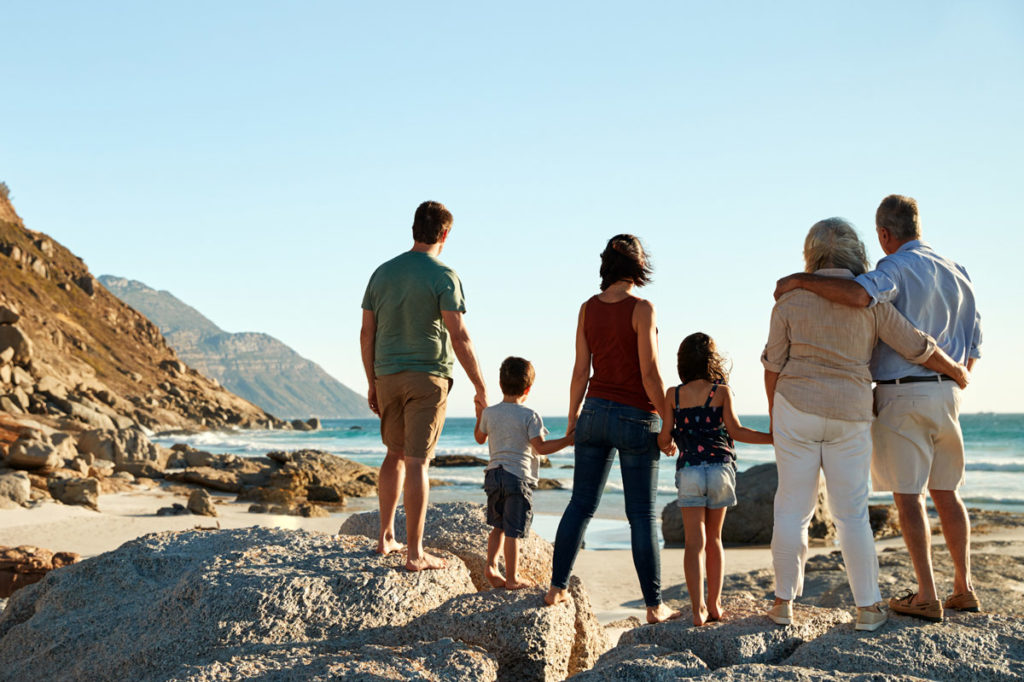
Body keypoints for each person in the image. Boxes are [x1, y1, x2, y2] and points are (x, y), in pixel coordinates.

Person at [774, 197, 982, 623]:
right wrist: (957, 375)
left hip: (895, 393)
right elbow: (962, 343)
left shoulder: (885, 274)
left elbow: (854, 297)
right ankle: (954, 590)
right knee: (939, 493)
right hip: (942, 394)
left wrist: (799, 279)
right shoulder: (957, 271)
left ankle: (923, 594)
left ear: (885, 235)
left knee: (902, 498)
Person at [544, 234, 679, 623]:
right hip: (636, 417)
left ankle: (556, 588)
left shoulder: (587, 308)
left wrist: (572, 418)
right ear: (639, 266)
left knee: (580, 505)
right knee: (641, 514)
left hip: (594, 412)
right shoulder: (643, 308)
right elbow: (650, 374)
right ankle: (654, 606)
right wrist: (667, 421)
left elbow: (579, 371)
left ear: (606, 265)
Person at [360, 200, 488, 572]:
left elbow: (367, 333)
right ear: (445, 234)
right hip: (427, 377)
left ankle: (385, 536)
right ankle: (415, 553)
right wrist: (480, 386)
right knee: (417, 461)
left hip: (386, 374)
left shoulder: (381, 273)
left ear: (414, 228)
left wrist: (372, 381)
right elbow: (459, 335)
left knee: (393, 454)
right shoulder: (444, 274)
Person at [657, 333, 772, 626]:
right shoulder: (721, 392)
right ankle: (715, 605)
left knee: (694, 543)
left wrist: (669, 443)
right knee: (715, 540)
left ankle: (697, 610)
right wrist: (772, 438)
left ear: (682, 361)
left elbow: (664, 437)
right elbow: (737, 431)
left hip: (690, 471)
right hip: (720, 469)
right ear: (712, 360)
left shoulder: (674, 395)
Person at [474, 356, 574, 589]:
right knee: (513, 532)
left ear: (501, 385)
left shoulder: (490, 413)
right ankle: (512, 577)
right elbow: (541, 447)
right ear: (528, 388)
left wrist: (480, 414)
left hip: (493, 476)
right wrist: (568, 440)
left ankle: (490, 565)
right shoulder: (530, 415)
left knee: (497, 526)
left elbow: (480, 438)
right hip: (517, 478)